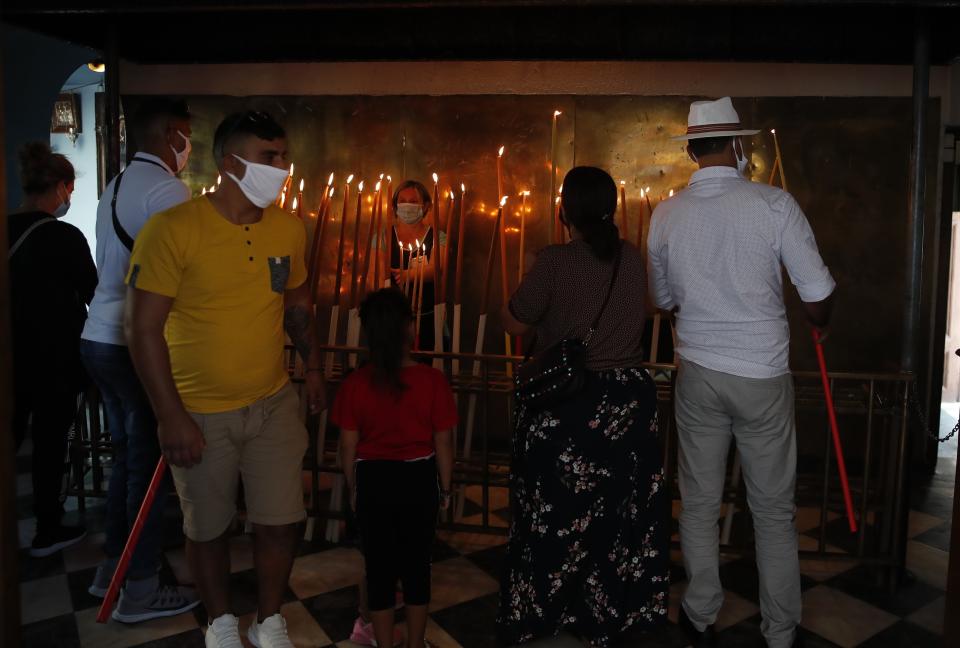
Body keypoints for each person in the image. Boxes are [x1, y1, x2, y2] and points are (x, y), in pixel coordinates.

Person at [125, 110, 326, 648]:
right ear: (231, 162)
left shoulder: (288, 227)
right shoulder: (174, 229)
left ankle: (269, 618)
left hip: (271, 401)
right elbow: (141, 329)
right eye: (270, 158)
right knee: (207, 526)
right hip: (199, 410)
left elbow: (298, 301)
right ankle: (219, 620)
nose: (282, 169)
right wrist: (171, 415)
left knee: (281, 519)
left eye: (284, 157)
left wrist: (314, 367)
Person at [647, 97, 835, 648]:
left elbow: (660, 299)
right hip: (762, 373)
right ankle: (780, 631)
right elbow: (819, 296)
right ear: (737, 146)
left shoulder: (666, 213)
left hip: (699, 371)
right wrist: (817, 321)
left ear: (690, 150)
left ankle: (701, 613)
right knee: (773, 509)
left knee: (700, 503)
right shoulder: (774, 205)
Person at [498, 166, 669, 647]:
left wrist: (527, 271)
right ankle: (614, 611)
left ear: (564, 210)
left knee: (557, 513)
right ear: (611, 209)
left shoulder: (554, 262)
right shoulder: (632, 259)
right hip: (627, 402)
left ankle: (547, 610)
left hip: (570, 403)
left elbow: (514, 322)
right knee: (620, 514)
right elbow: (651, 308)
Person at [81, 97, 199, 622]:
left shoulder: (116, 184)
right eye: (187, 137)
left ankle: (113, 567)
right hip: (132, 341)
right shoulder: (167, 190)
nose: (187, 148)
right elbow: (186, 272)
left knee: (126, 459)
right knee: (148, 464)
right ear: (173, 134)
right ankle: (143, 588)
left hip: (97, 337)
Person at [332, 288, 456, 648]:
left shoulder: (356, 384)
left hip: (373, 479)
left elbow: (347, 446)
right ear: (409, 328)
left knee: (379, 570)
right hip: (419, 478)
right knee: (418, 567)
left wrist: (354, 487)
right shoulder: (432, 380)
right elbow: (444, 442)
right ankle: (415, 644)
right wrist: (445, 488)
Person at [8, 142, 98, 557]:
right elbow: (93, 295)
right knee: (49, 443)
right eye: (71, 190)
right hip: (54, 360)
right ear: (61, 187)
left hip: (10, 359)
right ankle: (47, 528)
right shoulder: (65, 237)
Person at [389, 180, 447, 353]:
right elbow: (375, 275)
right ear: (395, 206)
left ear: (426, 205)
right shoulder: (385, 236)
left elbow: (438, 269)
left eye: (413, 201)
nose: (407, 205)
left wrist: (407, 275)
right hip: (390, 319)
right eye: (402, 200)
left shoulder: (438, 237)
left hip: (427, 318)